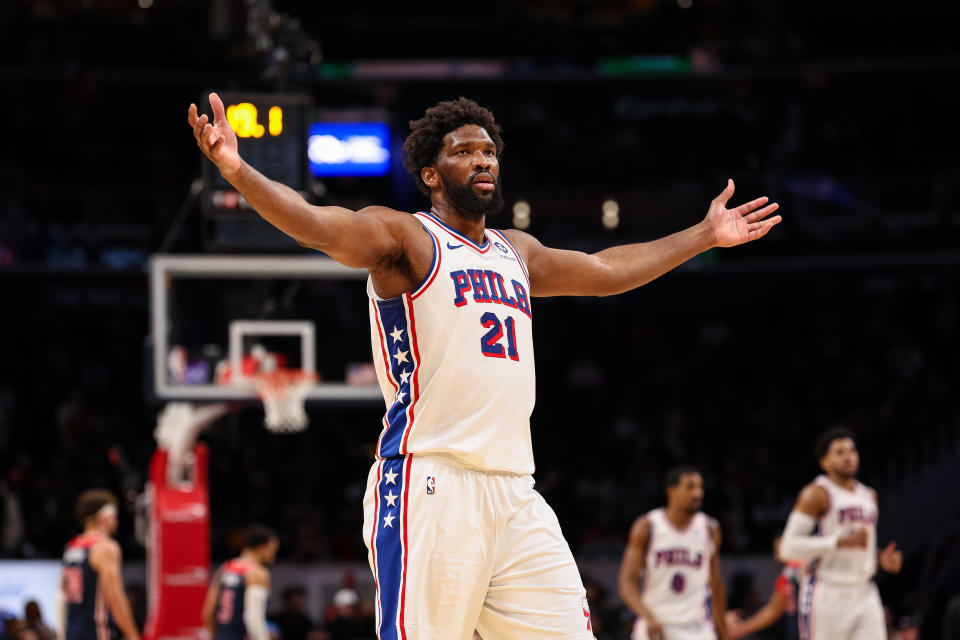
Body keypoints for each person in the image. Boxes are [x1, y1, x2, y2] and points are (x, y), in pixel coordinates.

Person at [188, 93, 780, 640]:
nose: (483, 160)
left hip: (515, 489)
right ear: (430, 173)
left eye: (490, 151)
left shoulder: (515, 251)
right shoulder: (406, 239)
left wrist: (703, 235)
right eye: (464, 151)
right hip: (430, 479)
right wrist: (240, 172)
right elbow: (316, 224)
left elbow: (606, 271)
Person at [779, 427, 903, 640]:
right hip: (827, 591)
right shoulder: (817, 494)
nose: (848, 457)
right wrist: (837, 542)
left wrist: (881, 559)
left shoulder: (869, 496)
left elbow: (863, 546)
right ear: (824, 462)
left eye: (852, 451)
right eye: (839, 452)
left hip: (864, 590)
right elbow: (788, 548)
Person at [618, 466, 729, 640]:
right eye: (690, 487)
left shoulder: (710, 528)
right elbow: (627, 583)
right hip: (656, 625)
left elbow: (716, 584)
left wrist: (722, 628)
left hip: (697, 627)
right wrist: (648, 617)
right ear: (671, 491)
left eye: (700, 487)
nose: (698, 494)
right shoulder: (647, 526)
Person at [59, 489, 140, 640]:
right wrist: (133, 635)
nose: (116, 521)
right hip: (96, 631)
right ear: (105, 516)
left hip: (73, 631)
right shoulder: (105, 547)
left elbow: (62, 595)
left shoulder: (71, 547)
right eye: (115, 515)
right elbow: (115, 597)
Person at [202, 526, 279, 640]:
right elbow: (253, 619)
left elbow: (208, 612)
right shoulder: (258, 573)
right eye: (273, 550)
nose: (273, 557)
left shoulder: (225, 569)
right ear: (262, 548)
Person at [724, 535, 802, 639]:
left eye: (780, 550)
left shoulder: (792, 571)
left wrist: (741, 629)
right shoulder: (792, 572)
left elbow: (773, 609)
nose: (776, 556)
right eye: (775, 551)